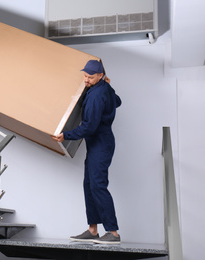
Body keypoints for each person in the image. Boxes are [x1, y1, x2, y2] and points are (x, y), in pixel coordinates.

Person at [52, 59, 122, 244]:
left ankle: (113, 233)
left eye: (90, 77)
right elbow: (118, 102)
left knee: (98, 186)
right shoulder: (104, 88)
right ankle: (92, 230)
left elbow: (89, 127)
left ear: (100, 75)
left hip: (101, 143)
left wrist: (66, 135)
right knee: (89, 185)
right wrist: (110, 86)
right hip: (98, 144)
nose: (86, 80)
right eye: (85, 75)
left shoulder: (96, 96)